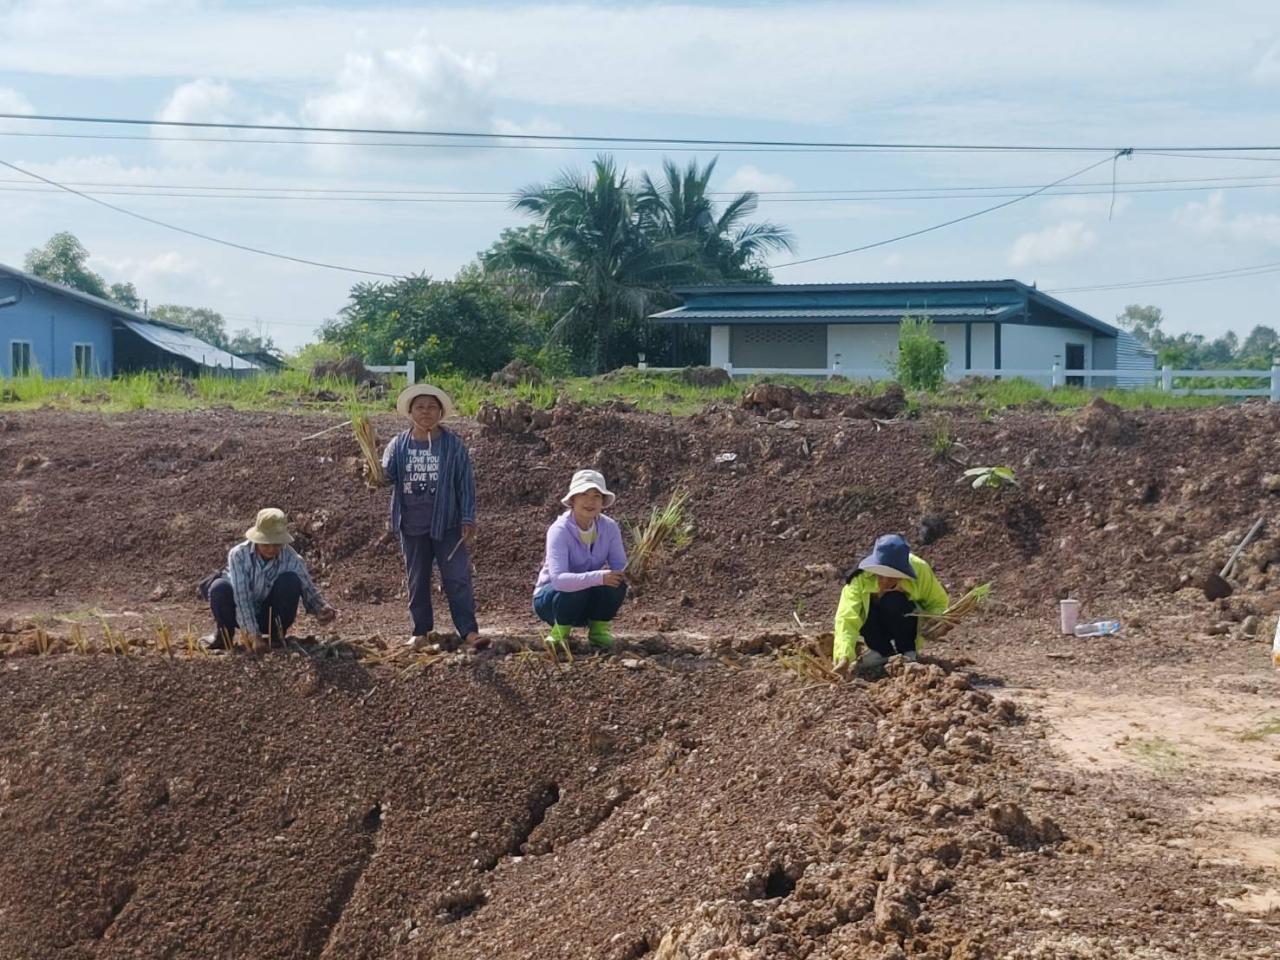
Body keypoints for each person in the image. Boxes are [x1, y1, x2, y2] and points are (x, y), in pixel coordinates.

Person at [381, 383, 484, 650]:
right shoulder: (398, 445)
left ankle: (469, 631)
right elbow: (386, 476)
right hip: (411, 525)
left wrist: (468, 518)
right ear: (411, 412)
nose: (425, 411)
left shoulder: (453, 446)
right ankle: (420, 631)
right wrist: (371, 473)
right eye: (419, 407)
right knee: (417, 579)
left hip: (447, 524)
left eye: (431, 407)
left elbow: (465, 484)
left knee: (457, 578)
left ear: (440, 412)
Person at [206, 508, 337, 651]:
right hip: (239, 613)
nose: (271, 549)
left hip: (271, 615)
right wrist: (253, 635)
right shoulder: (238, 555)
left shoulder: (292, 558)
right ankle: (223, 637)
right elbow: (242, 597)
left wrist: (321, 609)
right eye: (266, 544)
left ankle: (275, 636)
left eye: (276, 544)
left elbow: (308, 589)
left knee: (290, 581)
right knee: (219, 587)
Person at [533, 469, 628, 652]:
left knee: (617, 583)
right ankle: (560, 632)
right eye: (584, 494)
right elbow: (559, 580)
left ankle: (598, 632)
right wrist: (600, 577)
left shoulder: (609, 527)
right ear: (573, 500)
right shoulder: (559, 530)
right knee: (575, 587)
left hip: (584, 601)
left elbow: (619, 566)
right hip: (552, 600)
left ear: (602, 502)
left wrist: (633, 573)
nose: (590, 501)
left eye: (596, 496)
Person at [833, 533, 948, 671]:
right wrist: (844, 655)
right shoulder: (859, 578)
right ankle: (881, 651)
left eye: (891, 578)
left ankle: (907, 651)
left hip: (905, 623)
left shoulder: (920, 570)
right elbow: (846, 617)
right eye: (880, 576)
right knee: (864, 607)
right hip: (875, 625)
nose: (885, 582)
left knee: (893, 600)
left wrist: (936, 620)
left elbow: (938, 602)